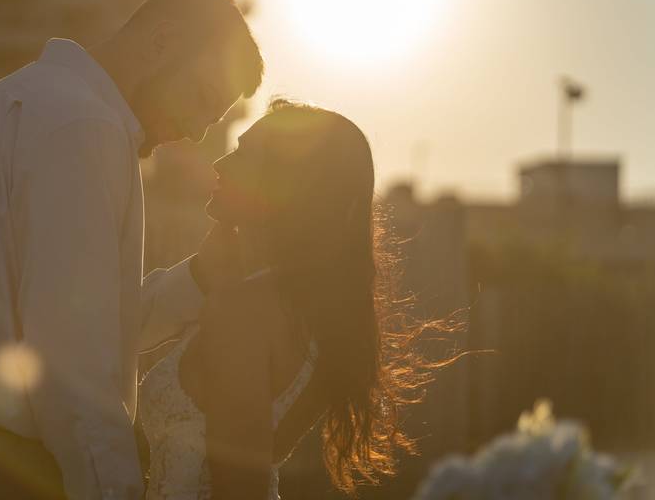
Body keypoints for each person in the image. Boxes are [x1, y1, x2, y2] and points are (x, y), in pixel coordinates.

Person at [0, 0, 263, 500]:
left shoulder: (15, 100)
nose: (198, 133)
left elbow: (71, 325)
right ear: (161, 43)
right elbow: (72, 365)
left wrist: (196, 281)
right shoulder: (84, 128)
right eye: (202, 99)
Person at [138, 99, 448, 499]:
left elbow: (240, 489)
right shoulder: (304, 307)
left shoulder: (247, 311)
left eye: (243, 154)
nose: (220, 164)